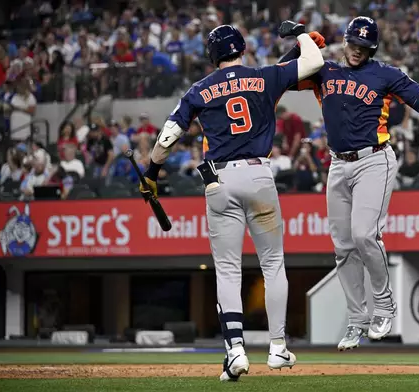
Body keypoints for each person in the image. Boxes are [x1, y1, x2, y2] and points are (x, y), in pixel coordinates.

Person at [138, 23, 324, 381]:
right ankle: (277, 347)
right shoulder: (263, 76)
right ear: (242, 47)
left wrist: (151, 173)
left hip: (218, 181)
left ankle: (235, 350)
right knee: (273, 264)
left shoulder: (199, 89)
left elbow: (166, 136)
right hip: (258, 174)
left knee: (226, 269)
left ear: (212, 55)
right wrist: (301, 35)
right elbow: (313, 63)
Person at [279, 16, 419, 350]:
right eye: (353, 44)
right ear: (346, 41)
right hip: (338, 164)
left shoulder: (385, 73)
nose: (357, 51)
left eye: (363, 47)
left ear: (372, 49)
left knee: (365, 234)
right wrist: (300, 47)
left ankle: (383, 305)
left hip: (374, 159)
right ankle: (356, 320)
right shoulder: (324, 70)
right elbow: (276, 78)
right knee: (342, 247)